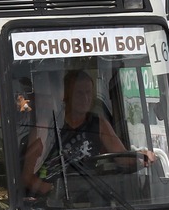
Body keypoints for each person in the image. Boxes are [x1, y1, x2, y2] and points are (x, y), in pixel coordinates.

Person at [24, 69, 156, 198]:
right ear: (66, 96)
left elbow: (121, 157)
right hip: (53, 201)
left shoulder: (99, 124)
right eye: (79, 93)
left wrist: (141, 157)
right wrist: (52, 191)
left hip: (90, 196)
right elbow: (27, 177)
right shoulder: (46, 126)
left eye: (88, 93)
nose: (85, 98)